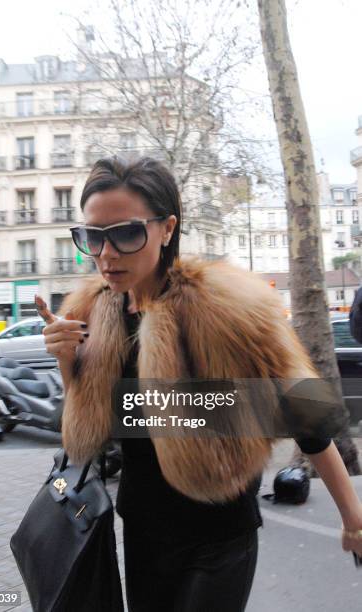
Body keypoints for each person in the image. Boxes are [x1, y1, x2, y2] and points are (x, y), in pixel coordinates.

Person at [39, 156, 362, 611]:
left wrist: (352, 517)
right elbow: (90, 428)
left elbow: (304, 412)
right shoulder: (95, 311)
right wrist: (67, 360)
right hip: (144, 528)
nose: (106, 254)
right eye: (92, 237)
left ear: (167, 228)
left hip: (220, 532)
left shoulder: (226, 306)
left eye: (127, 234)